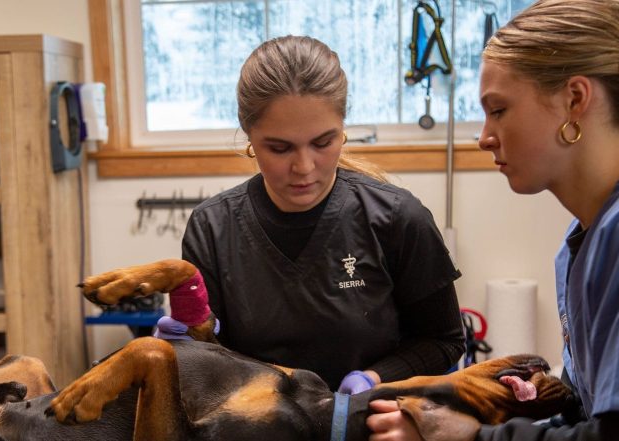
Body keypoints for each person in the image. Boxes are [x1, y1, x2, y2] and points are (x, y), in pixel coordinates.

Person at [366, 0, 619, 440]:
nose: (483, 137)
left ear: (574, 99)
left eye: (498, 110)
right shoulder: (581, 240)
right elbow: (589, 409)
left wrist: (468, 437)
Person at [160, 35, 465, 393]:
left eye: (323, 143)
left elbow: (444, 341)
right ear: (249, 136)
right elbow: (206, 363)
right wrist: (182, 351)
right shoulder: (212, 229)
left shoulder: (397, 218)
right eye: (279, 148)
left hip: (370, 423)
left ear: (343, 129)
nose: (304, 167)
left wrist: (375, 378)